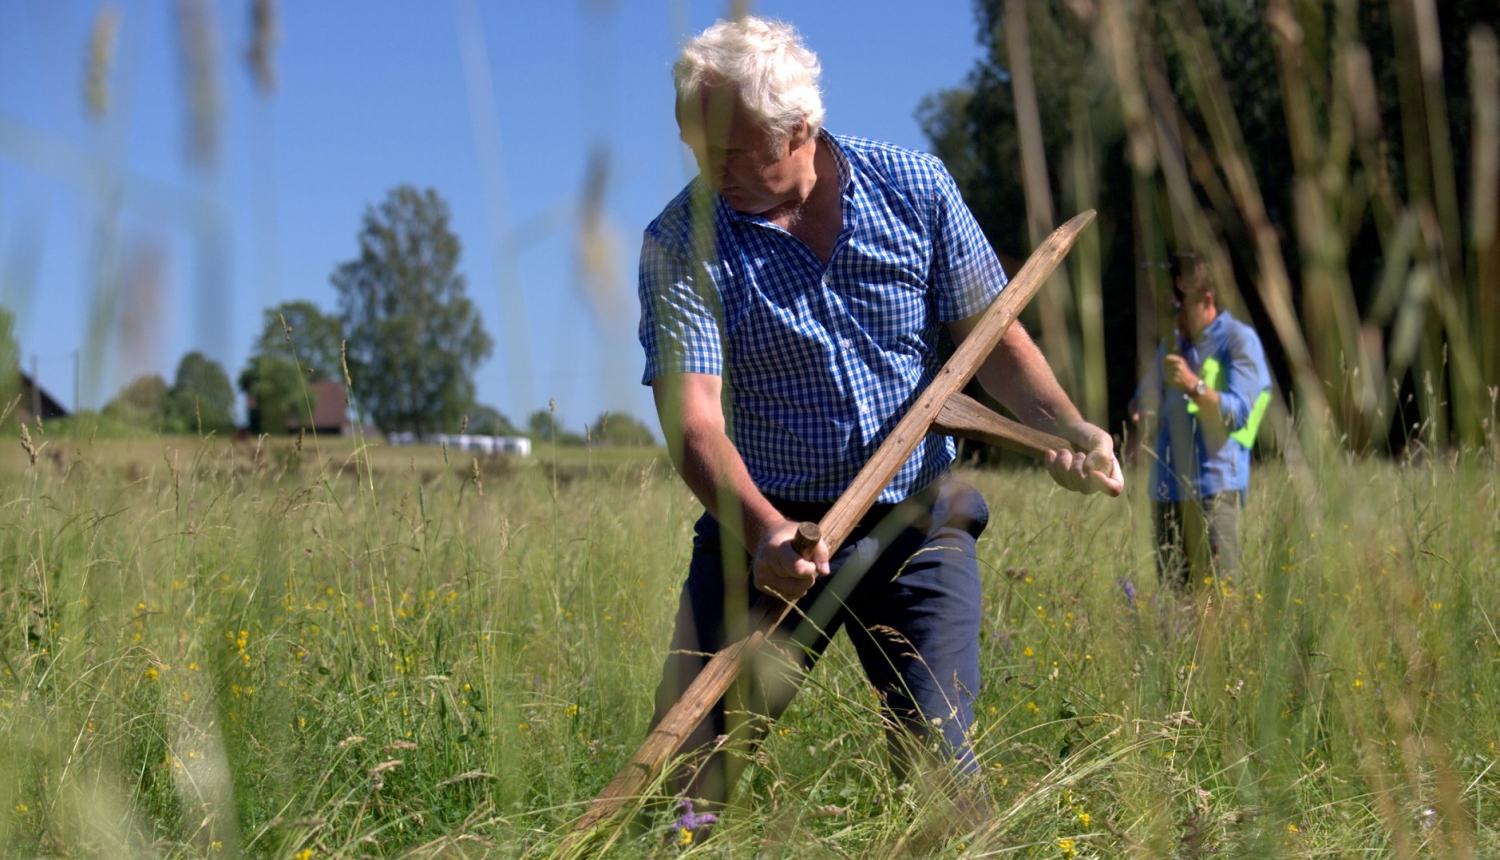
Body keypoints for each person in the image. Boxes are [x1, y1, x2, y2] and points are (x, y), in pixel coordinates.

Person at [637, 16, 1122, 815]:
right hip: (770, 530)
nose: (709, 166)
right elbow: (693, 422)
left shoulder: (913, 188)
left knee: (941, 776)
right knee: (687, 781)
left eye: (732, 147)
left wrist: (1064, 426)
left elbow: (989, 336)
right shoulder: (679, 243)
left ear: (800, 129)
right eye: (697, 144)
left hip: (916, 525)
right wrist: (761, 532)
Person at [1132, 253, 1272, 589]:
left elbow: (1241, 414)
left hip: (1213, 488)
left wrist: (1194, 385)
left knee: (1217, 598)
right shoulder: (1173, 343)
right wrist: (1142, 411)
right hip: (1165, 490)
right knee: (1172, 598)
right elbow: (1141, 398)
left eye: (1178, 309)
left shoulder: (1238, 340)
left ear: (1206, 300)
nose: (1173, 318)